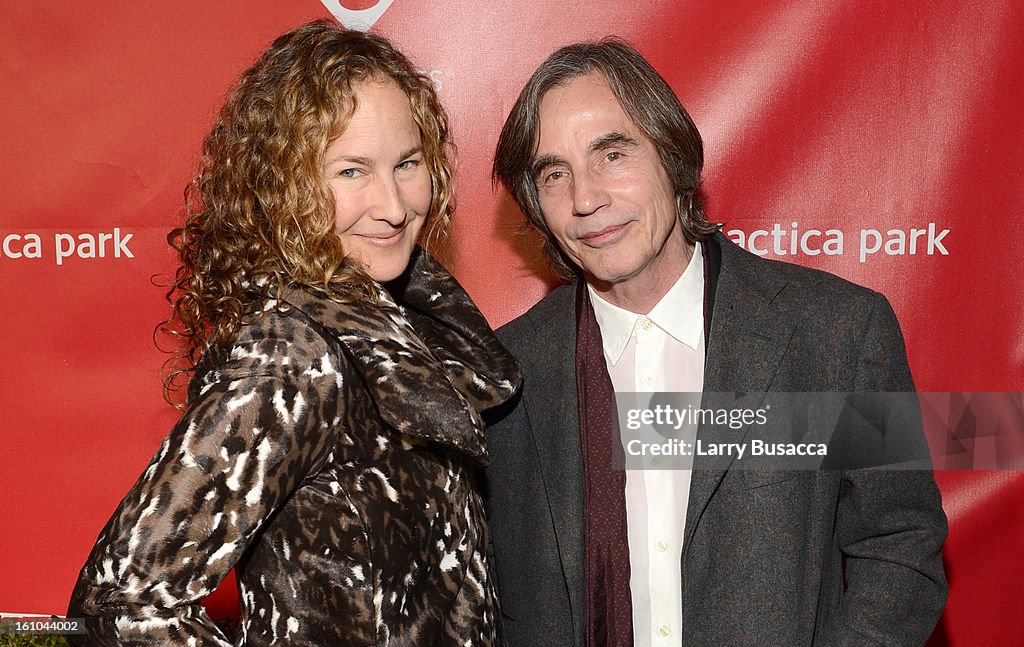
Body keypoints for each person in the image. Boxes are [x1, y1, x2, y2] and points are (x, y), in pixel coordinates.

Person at [68, 20, 520, 646]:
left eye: (407, 163)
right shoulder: (294, 352)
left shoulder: (397, 313)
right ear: (287, 186)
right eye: (352, 171)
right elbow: (119, 605)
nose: (392, 204)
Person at [485, 38, 947, 646]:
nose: (585, 198)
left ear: (672, 158)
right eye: (554, 174)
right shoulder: (500, 377)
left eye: (612, 154)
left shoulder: (834, 335)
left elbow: (899, 543)